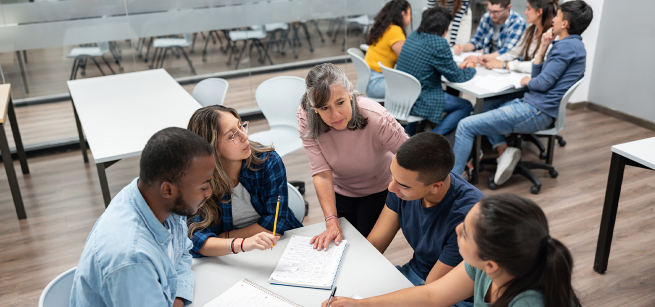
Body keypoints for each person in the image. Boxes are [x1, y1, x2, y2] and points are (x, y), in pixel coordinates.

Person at [322, 194, 583, 307]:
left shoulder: (528, 302)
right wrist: (361, 304)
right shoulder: (487, 264)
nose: (457, 229)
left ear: (491, 265)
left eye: (466, 232)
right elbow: (432, 296)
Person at [452, 0, 592, 186]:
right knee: (483, 108)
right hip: (536, 105)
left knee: (465, 125)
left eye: (557, 17)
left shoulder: (565, 48)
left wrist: (530, 81)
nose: (554, 20)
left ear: (565, 24)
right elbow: (540, 77)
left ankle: (452, 184)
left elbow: (540, 83)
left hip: (536, 111)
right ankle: (503, 151)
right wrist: (542, 48)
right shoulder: (573, 45)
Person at [70, 127, 215, 306]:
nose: (209, 192)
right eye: (203, 187)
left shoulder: (159, 201)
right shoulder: (132, 260)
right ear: (168, 189)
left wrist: (177, 298)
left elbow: (181, 254)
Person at [297, 63, 409, 250]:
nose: (335, 115)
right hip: (340, 190)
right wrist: (331, 220)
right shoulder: (306, 116)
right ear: (312, 106)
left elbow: (411, 156)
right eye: (324, 108)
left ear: (350, 91)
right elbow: (321, 173)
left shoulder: (376, 117)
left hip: (379, 190)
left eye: (340, 102)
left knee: (366, 251)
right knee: (340, 248)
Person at [367, 132, 483, 306]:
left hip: (450, 295)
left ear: (436, 187)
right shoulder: (401, 187)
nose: (391, 187)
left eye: (403, 185)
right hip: (417, 273)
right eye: (393, 176)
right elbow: (375, 243)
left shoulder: (467, 217)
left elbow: (432, 293)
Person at [187, 105, 302, 257]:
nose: (245, 137)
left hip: (280, 246)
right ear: (211, 148)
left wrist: (225, 238)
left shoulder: (268, 161)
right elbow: (196, 239)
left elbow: (274, 226)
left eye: (241, 126)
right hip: (231, 255)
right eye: (232, 135)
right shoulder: (195, 180)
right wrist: (242, 244)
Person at [397, 7, 476, 136]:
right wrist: (472, 67)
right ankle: (431, 137)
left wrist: (455, 66)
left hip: (403, 96)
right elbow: (456, 77)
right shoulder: (439, 43)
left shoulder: (413, 35)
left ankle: (415, 133)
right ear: (445, 31)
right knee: (466, 106)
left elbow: (429, 62)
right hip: (421, 99)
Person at [482, 0, 559, 73]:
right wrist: (495, 59)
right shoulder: (530, 28)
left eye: (528, 9)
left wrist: (505, 64)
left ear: (539, 12)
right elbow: (515, 52)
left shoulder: (551, 35)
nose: (525, 12)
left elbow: (535, 65)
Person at [364, 0, 413, 99]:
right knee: (414, 89)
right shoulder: (395, 31)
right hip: (377, 82)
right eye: (410, 13)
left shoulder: (385, 27)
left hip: (368, 79)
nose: (411, 17)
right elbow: (407, 59)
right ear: (403, 14)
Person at [452, 0, 526, 64]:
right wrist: (461, 47)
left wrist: (480, 58)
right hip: (488, 62)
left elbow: (507, 51)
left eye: (496, 12)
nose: (491, 15)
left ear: (508, 8)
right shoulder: (486, 17)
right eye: (489, 10)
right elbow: (477, 40)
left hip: (505, 65)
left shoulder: (518, 22)